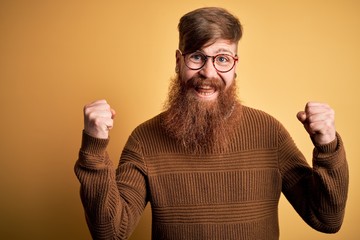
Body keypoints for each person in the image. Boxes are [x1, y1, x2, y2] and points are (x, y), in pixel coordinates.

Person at [75, 7, 348, 240]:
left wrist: (327, 146)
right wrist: (94, 148)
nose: (208, 72)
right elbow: (110, 232)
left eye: (222, 59)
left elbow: (326, 220)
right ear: (178, 62)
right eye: (197, 56)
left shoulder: (269, 132)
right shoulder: (145, 139)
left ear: (235, 65)